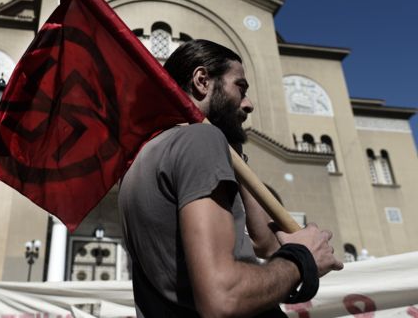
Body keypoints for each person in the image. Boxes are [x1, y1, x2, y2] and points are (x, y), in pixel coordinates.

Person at [118, 39, 343, 317]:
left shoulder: (144, 158)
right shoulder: (199, 139)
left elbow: (265, 243)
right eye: (241, 87)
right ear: (202, 80)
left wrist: (233, 153)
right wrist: (302, 260)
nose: (248, 105)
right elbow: (221, 297)